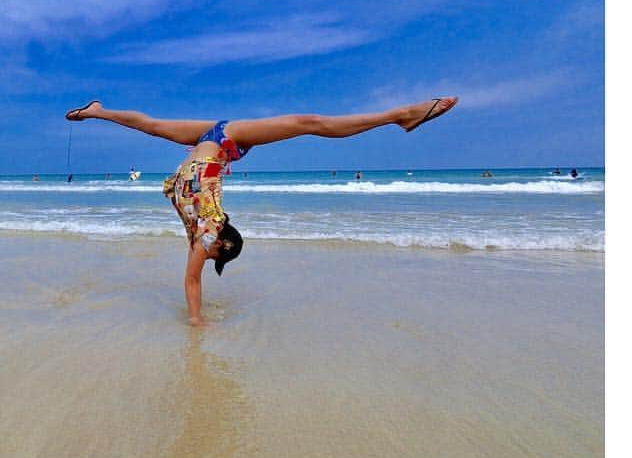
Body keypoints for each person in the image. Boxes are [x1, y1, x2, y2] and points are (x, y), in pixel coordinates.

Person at [65, 96, 458, 327]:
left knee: (152, 127)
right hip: (228, 139)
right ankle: (399, 115)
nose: (206, 255)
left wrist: (196, 320)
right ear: (222, 242)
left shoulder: (198, 233)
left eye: (211, 254)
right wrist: (197, 322)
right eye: (216, 253)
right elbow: (194, 279)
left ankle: (98, 111)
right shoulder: (211, 225)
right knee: (310, 123)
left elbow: (191, 281)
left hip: (214, 142)